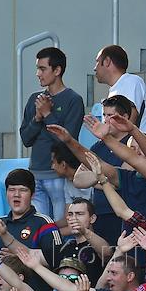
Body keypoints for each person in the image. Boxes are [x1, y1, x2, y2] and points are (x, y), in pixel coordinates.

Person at [19, 46, 87, 221]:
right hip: (35, 174)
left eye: (42, 69)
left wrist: (48, 114)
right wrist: (37, 118)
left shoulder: (73, 100)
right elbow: (26, 138)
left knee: (61, 226)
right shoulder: (34, 100)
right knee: (40, 226)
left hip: (59, 175)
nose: (38, 74)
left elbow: (66, 141)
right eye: (37, 68)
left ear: (57, 70)